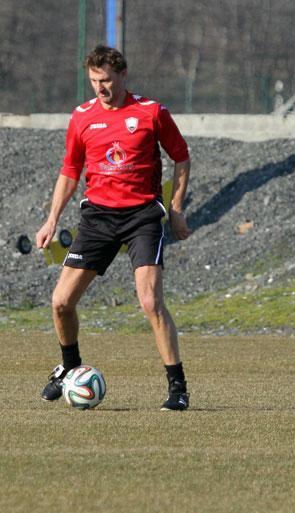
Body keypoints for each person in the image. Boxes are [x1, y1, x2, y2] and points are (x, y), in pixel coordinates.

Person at [35, 45, 192, 411]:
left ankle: (178, 387)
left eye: (106, 80)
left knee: (150, 302)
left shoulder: (151, 112)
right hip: (98, 219)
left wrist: (176, 209)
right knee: (61, 303)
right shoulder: (82, 117)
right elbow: (70, 171)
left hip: (141, 218)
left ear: (123, 75)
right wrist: (52, 218)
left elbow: (181, 157)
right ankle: (70, 368)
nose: (100, 88)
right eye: (94, 81)